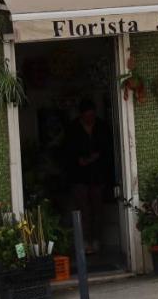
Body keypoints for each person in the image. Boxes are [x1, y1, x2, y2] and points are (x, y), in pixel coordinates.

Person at [64, 97, 111, 254]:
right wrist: (80, 160)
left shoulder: (102, 127)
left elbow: (107, 150)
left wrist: (95, 159)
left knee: (98, 209)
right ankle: (85, 242)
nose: (90, 118)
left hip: (97, 175)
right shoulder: (73, 129)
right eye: (86, 115)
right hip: (79, 176)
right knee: (84, 210)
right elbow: (68, 152)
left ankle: (96, 240)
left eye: (92, 115)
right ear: (81, 115)